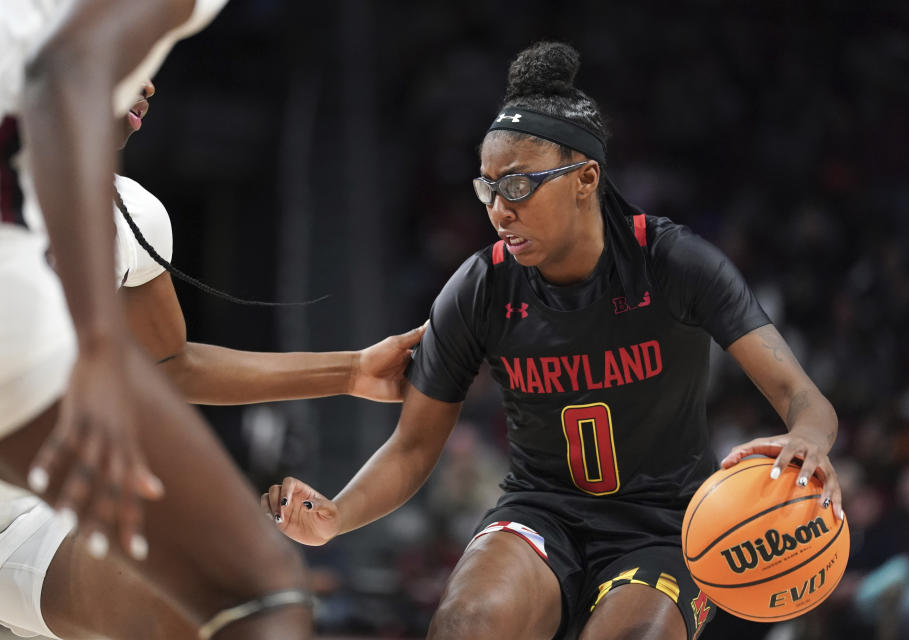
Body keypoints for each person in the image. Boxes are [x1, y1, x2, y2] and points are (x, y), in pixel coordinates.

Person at [264, 41, 844, 640]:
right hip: (541, 515)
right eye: (486, 189)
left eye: (517, 186)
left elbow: (805, 399)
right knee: (466, 624)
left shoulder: (674, 263)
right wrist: (337, 516)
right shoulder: (480, 287)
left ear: (585, 179)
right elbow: (413, 448)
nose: (498, 210)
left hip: (668, 525)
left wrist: (807, 439)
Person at [0, 75, 425, 638]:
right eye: (128, 50)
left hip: (40, 520)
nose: (149, 79)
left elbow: (169, 365)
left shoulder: (130, 213)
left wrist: (349, 371)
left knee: (225, 590)